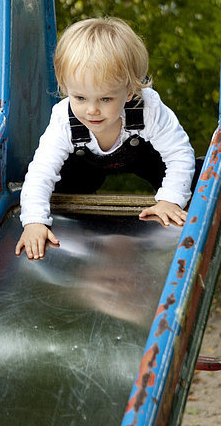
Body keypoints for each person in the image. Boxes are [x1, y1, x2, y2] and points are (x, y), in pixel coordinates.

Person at [15, 17, 196, 261]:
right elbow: (41, 172)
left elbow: (179, 154)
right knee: (64, 185)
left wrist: (170, 200)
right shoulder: (63, 118)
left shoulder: (148, 108)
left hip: (144, 156)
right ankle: (79, 233)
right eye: (79, 97)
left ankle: (178, 209)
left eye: (105, 99)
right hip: (85, 165)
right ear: (65, 87)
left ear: (130, 91)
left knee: (188, 183)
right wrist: (34, 221)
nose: (91, 110)